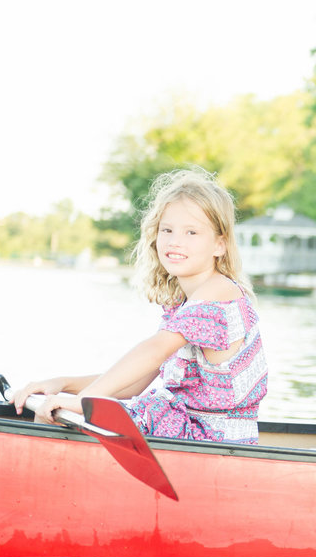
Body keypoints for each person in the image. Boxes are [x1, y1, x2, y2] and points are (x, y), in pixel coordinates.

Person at [13, 168, 268, 445]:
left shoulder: (219, 292)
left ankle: (46, 475)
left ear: (219, 245)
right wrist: (64, 384)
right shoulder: (185, 307)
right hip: (191, 431)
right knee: (57, 408)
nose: (174, 241)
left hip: (212, 440)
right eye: (167, 230)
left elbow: (154, 350)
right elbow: (134, 382)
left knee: (59, 416)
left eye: (192, 232)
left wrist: (84, 402)